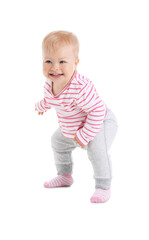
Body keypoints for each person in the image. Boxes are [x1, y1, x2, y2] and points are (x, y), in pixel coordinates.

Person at [35, 30, 118, 203]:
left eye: (62, 62)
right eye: (48, 61)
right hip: (73, 127)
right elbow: (52, 99)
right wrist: (42, 105)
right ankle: (65, 175)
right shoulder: (50, 82)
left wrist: (85, 134)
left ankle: (103, 185)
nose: (54, 67)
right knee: (57, 141)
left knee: (96, 150)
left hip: (100, 122)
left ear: (76, 62)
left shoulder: (80, 87)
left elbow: (96, 111)